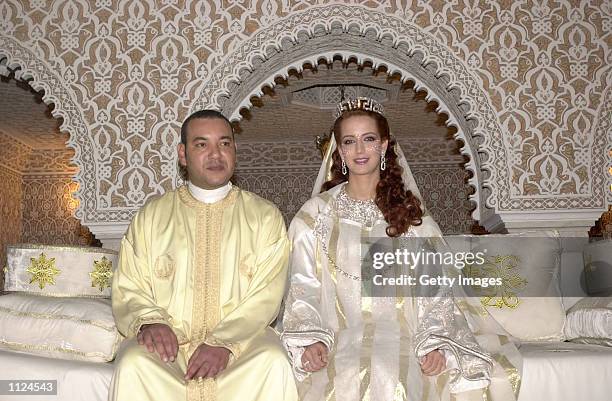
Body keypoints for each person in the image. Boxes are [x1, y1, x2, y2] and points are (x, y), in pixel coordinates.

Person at [281, 98, 522, 401]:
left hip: (403, 336)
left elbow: (435, 290)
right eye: (349, 141)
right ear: (340, 151)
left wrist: (434, 342)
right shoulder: (314, 216)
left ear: (383, 147)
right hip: (336, 337)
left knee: (387, 372)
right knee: (343, 377)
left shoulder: (412, 218)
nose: (359, 150)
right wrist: (312, 340)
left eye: (368, 139)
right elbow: (302, 286)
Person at [110, 110, 298, 401]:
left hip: (242, 347)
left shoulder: (264, 216)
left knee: (273, 362)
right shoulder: (152, 216)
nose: (215, 154)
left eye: (224, 144)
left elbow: (267, 294)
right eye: (202, 144)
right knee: (134, 364)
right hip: (171, 348)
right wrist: (150, 321)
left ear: (234, 151)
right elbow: (129, 283)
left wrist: (223, 342)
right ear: (183, 155)